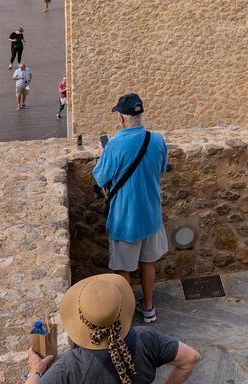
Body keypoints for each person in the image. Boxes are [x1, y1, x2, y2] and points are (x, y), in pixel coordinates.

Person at [26, 273, 200, 384]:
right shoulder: (146, 338)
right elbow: (191, 358)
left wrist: (36, 372)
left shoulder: (72, 366)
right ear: (121, 310)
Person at [93, 94, 168, 323]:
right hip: (151, 215)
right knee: (148, 262)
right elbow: (161, 168)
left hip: (125, 218)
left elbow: (100, 178)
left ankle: (125, 312)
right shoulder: (157, 140)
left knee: (123, 269)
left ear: (121, 119)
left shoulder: (114, 146)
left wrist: (102, 155)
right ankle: (148, 308)